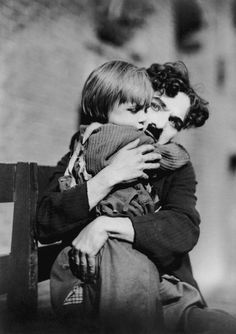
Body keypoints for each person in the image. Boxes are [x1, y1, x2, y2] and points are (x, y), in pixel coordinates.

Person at [37, 60, 236, 333]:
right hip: (103, 287)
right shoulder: (87, 149)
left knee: (222, 326)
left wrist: (106, 225)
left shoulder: (175, 166)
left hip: (166, 291)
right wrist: (111, 176)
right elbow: (45, 220)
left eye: (175, 122)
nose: (159, 123)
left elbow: (184, 226)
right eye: (156, 106)